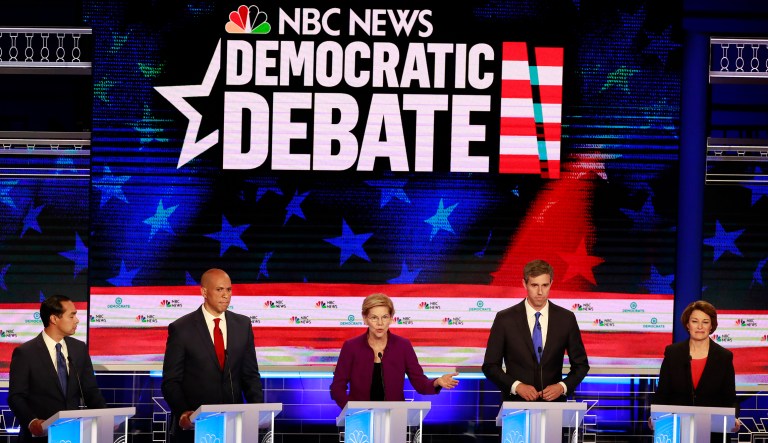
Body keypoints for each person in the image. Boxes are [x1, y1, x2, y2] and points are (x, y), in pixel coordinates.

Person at [161, 268, 264, 443]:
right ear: (204, 292)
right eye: (219, 289)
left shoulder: (242, 325)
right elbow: (171, 381)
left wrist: (258, 412)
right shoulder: (182, 328)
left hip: (234, 425)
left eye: (229, 290)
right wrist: (184, 412)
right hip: (196, 426)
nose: (226, 295)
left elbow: (250, 375)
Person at [482, 259, 589, 402]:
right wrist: (517, 386)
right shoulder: (505, 319)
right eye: (534, 285)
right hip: (516, 405)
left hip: (554, 407)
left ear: (551, 283)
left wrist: (562, 387)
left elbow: (581, 365)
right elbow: (490, 366)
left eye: (545, 285)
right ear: (524, 284)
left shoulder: (566, 319)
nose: (540, 292)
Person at [330, 293, 459, 408]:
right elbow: (337, 388)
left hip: (394, 417)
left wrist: (437, 382)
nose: (380, 323)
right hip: (359, 419)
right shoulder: (351, 347)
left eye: (385, 317)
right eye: (374, 317)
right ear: (365, 319)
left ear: (391, 318)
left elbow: (420, 384)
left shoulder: (403, 346)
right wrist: (351, 410)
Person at [8, 294, 107, 443]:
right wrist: (32, 421)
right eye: (72, 316)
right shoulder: (25, 353)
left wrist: (105, 416)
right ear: (54, 319)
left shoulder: (79, 349)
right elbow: (16, 396)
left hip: (72, 435)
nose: (77, 320)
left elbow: (90, 391)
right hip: (39, 437)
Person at [650, 300, 741, 436]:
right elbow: (663, 392)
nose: (700, 327)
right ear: (687, 324)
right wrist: (654, 416)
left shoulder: (724, 357)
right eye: (694, 321)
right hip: (676, 429)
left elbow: (730, 397)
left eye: (705, 322)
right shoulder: (673, 353)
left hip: (712, 431)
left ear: (711, 326)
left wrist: (734, 418)